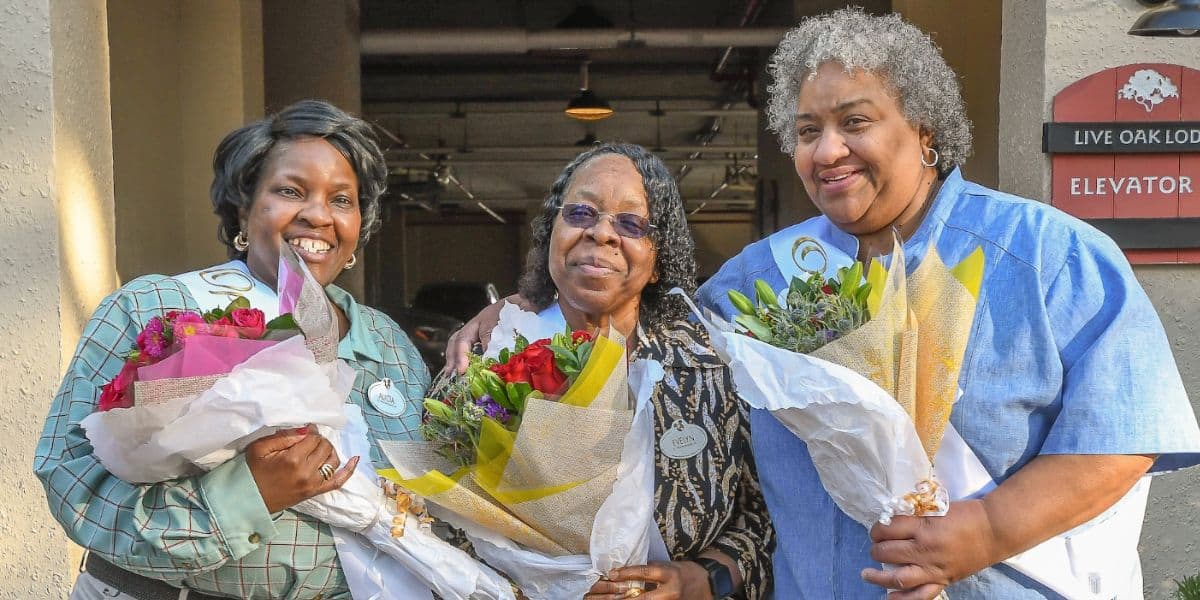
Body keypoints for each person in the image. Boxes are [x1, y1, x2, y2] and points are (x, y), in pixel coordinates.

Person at [448, 10, 1200, 599]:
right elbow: (640, 317)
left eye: (856, 122)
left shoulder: (1045, 255)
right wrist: (521, 308)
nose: (827, 150)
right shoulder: (754, 281)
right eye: (808, 131)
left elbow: (1125, 434)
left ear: (926, 128)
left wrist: (983, 529)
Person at [34, 100, 430, 599]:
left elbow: (427, 502)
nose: (317, 215)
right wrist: (248, 496)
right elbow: (72, 478)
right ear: (244, 208)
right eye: (291, 191)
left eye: (342, 200)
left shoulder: (389, 346)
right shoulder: (156, 309)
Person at [473, 142, 773, 600]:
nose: (602, 234)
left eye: (631, 223)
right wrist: (535, 586)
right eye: (580, 213)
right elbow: (437, 524)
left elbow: (765, 515)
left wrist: (702, 578)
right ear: (551, 233)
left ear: (658, 259)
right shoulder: (489, 358)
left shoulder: (715, 368)